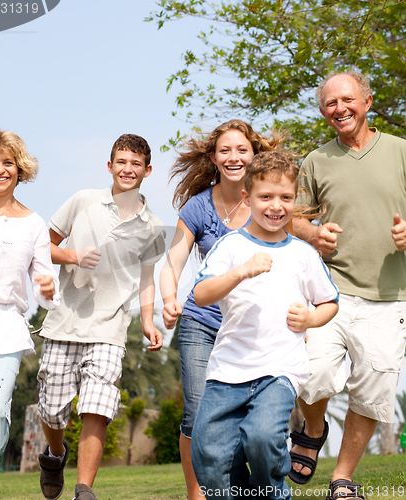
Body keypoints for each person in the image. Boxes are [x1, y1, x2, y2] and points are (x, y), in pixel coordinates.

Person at [190, 150, 339, 500]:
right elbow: (200, 294)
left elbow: (329, 302)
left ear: (295, 197)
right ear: (247, 197)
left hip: (280, 370)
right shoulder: (230, 246)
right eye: (266, 197)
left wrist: (311, 318)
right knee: (208, 455)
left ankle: (275, 495)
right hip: (228, 371)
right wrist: (240, 271)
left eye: (286, 197)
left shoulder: (303, 253)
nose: (276, 206)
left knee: (262, 438)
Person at [290, 71, 406, 499]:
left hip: (391, 297)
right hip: (331, 292)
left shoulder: (399, 151)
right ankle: (315, 428)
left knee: (373, 389)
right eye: (329, 104)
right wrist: (312, 234)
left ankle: (341, 478)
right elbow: (293, 218)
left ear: (368, 101)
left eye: (347, 100)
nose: (338, 109)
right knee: (311, 374)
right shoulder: (317, 161)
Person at [37, 134, 165, 500]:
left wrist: (148, 321)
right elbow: (42, 247)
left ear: (147, 170)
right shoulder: (83, 201)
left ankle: (84, 490)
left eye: (135, 164)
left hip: (110, 327)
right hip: (64, 320)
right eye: (121, 162)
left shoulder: (153, 226)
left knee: (99, 403)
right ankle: (55, 454)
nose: (128, 169)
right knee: (53, 407)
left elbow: (146, 281)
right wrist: (74, 255)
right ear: (110, 166)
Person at [160, 120, 283, 500]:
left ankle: (244, 486)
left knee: (248, 417)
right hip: (203, 322)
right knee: (197, 415)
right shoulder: (198, 207)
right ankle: (196, 492)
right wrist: (168, 298)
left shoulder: (268, 201)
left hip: (252, 326)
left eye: (242, 150)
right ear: (213, 158)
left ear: (254, 154)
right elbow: (173, 260)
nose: (234, 157)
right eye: (225, 151)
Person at [0, 130, 60, 490]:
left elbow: (44, 287)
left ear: (19, 169)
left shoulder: (33, 224)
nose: (0, 170)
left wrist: (46, 287)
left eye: (7, 162)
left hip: (5, 330)